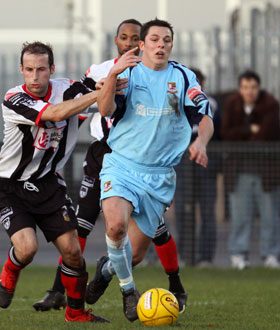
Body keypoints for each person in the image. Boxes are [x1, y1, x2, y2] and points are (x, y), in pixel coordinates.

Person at [33, 19, 187, 314]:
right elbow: (76, 106)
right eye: (124, 38)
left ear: (142, 42)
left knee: (152, 234)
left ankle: (173, 283)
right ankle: (58, 291)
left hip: (143, 159)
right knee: (83, 224)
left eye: (134, 38)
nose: (129, 43)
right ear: (116, 40)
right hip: (104, 154)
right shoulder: (99, 71)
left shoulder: (155, 71)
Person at [89, 19, 213, 322]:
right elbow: (105, 110)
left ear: (171, 45)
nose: (161, 45)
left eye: (166, 40)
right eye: (154, 39)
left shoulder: (183, 77)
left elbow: (205, 114)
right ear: (141, 45)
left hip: (159, 176)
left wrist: (203, 142)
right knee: (115, 227)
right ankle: (129, 292)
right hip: (122, 165)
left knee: (134, 255)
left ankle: (106, 270)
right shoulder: (127, 73)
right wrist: (113, 75)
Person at [0, 41, 108, 323]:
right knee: (27, 249)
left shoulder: (67, 89)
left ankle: (75, 313)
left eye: (41, 69)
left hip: (48, 186)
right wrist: (94, 94)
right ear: (21, 70)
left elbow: (105, 105)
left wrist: (111, 85)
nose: (34, 76)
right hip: (11, 188)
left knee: (73, 253)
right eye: (29, 69)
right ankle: (10, 270)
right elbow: (54, 114)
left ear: (51, 69)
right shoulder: (14, 98)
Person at [221, 70, 280, 269]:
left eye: (253, 87)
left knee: (270, 217)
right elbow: (225, 134)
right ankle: (238, 255)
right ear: (240, 89)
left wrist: (244, 135)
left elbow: (266, 134)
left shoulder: (271, 104)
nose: (250, 92)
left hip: (267, 172)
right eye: (245, 87)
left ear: (259, 88)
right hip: (239, 172)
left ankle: (270, 255)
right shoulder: (232, 104)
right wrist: (248, 130)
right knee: (240, 217)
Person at [174, 68, 219, 267]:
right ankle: (185, 255)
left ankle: (206, 257)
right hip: (181, 164)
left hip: (205, 164)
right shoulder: (175, 103)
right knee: (182, 210)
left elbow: (216, 131)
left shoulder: (211, 104)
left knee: (207, 211)